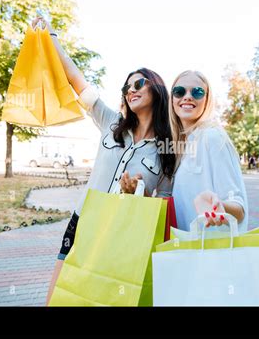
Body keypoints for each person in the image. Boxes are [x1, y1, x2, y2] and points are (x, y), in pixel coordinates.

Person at [31, 17, 176, 305]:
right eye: (127, 86)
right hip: (83, 220)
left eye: (139, 83)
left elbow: (166, 202)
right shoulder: (111, 122)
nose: (131, 89)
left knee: (104, 298)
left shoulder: (167, 148)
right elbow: (78, 82)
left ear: (157, 90)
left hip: (122, 232)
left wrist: (141, 193)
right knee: (59, 294)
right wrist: (52, 37)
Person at [169, 70, 248, 232]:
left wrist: (220, 206)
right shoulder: (181, 146)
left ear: (206, 100)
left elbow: (239, 209)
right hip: (188, 249)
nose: (187, 96)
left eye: (197, 92)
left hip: (211, 252)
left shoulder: (212, 137)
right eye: (179, 91)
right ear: (172, 100)